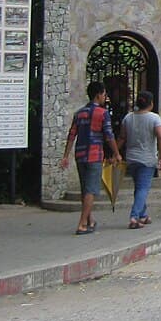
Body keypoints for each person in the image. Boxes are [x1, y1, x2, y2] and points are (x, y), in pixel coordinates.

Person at [59, 80, 120, 236]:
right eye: (104, 94)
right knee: (91, 190)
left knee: (85, 189)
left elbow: (71, 135)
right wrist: (116, 153)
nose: (105, 97)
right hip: (94, 155)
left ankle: (90, 220)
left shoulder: (79, 113)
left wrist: (65, 156)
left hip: (80, 155)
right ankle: (82, 224)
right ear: (98, 95)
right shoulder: (103, 113)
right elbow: (109, 136)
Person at [118, 90, 161, 229]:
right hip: (147, 159)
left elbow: (122, 137)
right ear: (151, 103)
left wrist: (114, 153)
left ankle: (143, 215)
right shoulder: (154, 118)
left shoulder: (128, 118)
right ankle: (134, 216)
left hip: (132, 158)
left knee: (139, 187)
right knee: (143, 188)